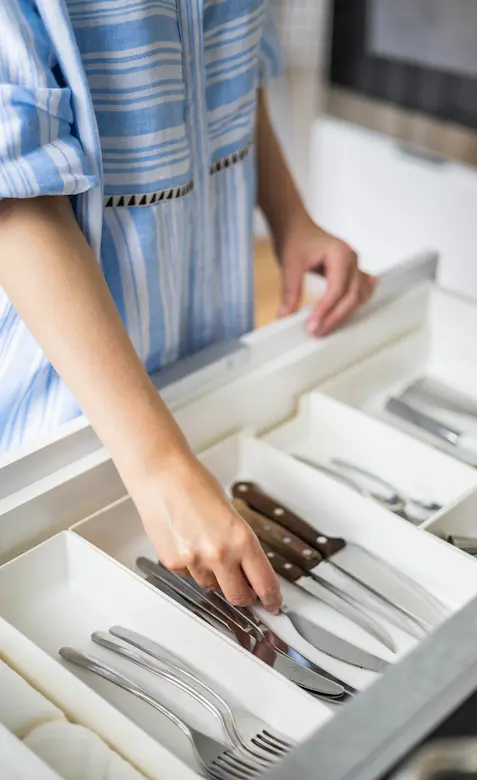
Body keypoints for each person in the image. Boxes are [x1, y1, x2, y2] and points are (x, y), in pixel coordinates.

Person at [0, 0, 376, 613]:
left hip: (207, 359)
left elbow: (234, 59)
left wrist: (290, 216)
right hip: (71, 402)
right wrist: (157, 465)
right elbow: (13, 191)